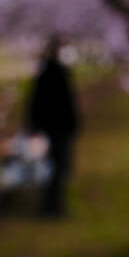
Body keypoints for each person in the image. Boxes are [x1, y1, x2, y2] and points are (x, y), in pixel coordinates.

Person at [26, 36, 79, 217]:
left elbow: (33, 103)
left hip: (48, 128)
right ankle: (53, 206)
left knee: (49, 167)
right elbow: (68, 104)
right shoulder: (58, 74)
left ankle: (50, 205)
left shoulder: (44, 74)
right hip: (59, 129)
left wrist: (32, 125)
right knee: (58, 168)